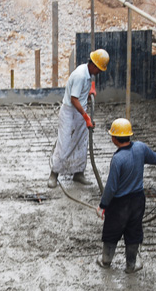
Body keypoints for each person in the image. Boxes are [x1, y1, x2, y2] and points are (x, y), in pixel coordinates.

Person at [96, 118, 156, 273]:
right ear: (129, 135)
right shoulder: (140, 148)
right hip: (137, 201)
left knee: (111, 230)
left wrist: (103, 205)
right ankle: (131, 266)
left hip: (119, 204)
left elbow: (111, 187)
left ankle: (106, 260)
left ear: (114, 139)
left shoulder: (117, 159)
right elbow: (155, 158)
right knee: (134, 231)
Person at [47, 49, 109, 189]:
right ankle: (54, 174)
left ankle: (78, 173)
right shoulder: (81, 75)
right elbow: (74, 99)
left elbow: (82, 92)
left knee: (82, 143)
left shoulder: (88, 73)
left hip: (80, 111)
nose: (100, 72)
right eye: (99, 69)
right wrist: (86, 117)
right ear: (94, 65)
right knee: (64, 143)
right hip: (70, 112)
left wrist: (90, 90)